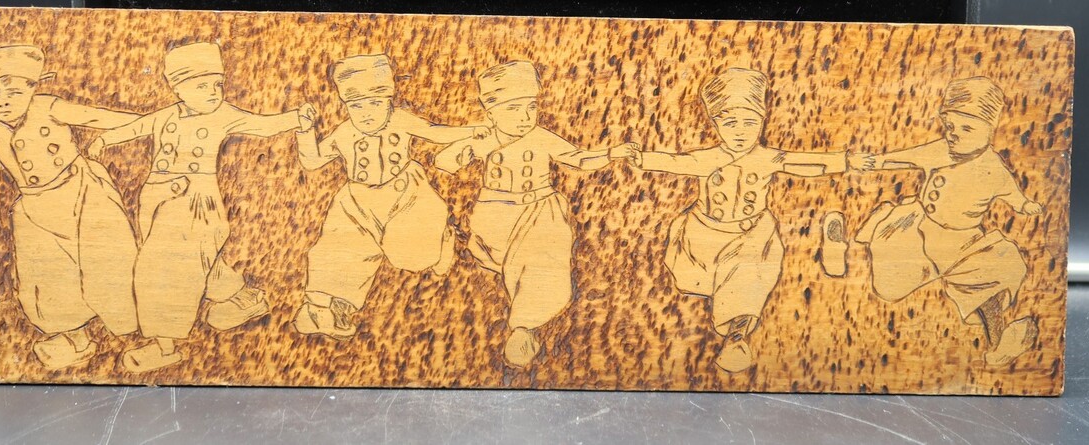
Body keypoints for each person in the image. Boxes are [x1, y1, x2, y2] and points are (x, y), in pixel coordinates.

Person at [89, 42, 316, 372]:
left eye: (217, 84)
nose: (213, 92)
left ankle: (165, 346)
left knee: (164, 270)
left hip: (197, 203)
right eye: (202, 85)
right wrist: (103, 139)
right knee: (201, 264)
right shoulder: (166, 115)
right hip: (155, 199)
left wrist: (296, 118)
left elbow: (262, 124)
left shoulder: (224, 115)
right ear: (178, 88)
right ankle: (245, 300)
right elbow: (135, 127)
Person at [616, 67, 848, 373]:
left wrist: (846, 160)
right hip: (704, 235)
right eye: (730, 123)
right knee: (694, 283)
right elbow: (675, 162)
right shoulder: (707, 158)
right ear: (716, 124)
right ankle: (722, 308)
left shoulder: (767, 157)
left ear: (762, 121)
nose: (740, 131)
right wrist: (642, 159)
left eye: (750, 122)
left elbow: (807, 163)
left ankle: (737, 337)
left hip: (751, 235)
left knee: (748, 275)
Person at [434, 61, 636, 367]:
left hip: (541, 210)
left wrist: (611, 153)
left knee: (543, 260)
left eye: (530, 107)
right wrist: (476, 144)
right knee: (504, 260)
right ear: (491, 112)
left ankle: (524, 327)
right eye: (513, 108)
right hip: (496, 214)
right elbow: (444, 162)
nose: (524, 116)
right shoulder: (486, 139)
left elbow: (578, 159)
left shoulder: (541, 137)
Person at [844, 76, 1041, 366]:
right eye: (950, 126)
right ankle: (877, 222)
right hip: (917, 229)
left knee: (989, 279)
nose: (954, 134)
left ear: (990, 129)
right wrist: (874, 161)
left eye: (966, 128)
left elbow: (1011, 192)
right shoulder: (940, 150)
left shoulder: (993, 167)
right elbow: (905, 158)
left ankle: (1000, 341)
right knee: (889, 286)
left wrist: (1024, 204)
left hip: (963, 242)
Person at [293, 54, 488, 339]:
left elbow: (435, 132)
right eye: (357, 105)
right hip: (356, 201)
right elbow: (312, 161)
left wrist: (473, 131)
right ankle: (324, 307)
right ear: (346, 105)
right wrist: (305, 131)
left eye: (375, 103)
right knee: (338, 249)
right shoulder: (344, 132)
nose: (366, 113)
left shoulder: (400, 120)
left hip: (405, 195)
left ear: (389, 99)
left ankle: (441, 239)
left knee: (412, 254)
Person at [0, 45, 141, 369]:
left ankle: (135, 327)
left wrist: (146, 123)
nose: (4, 101)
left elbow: (94, 116)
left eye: (13, 92)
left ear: (32, 89)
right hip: (35, 208)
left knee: (108, 261)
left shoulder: (48, 107)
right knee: (46, 276)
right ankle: (76, 339)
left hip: (81, 191)